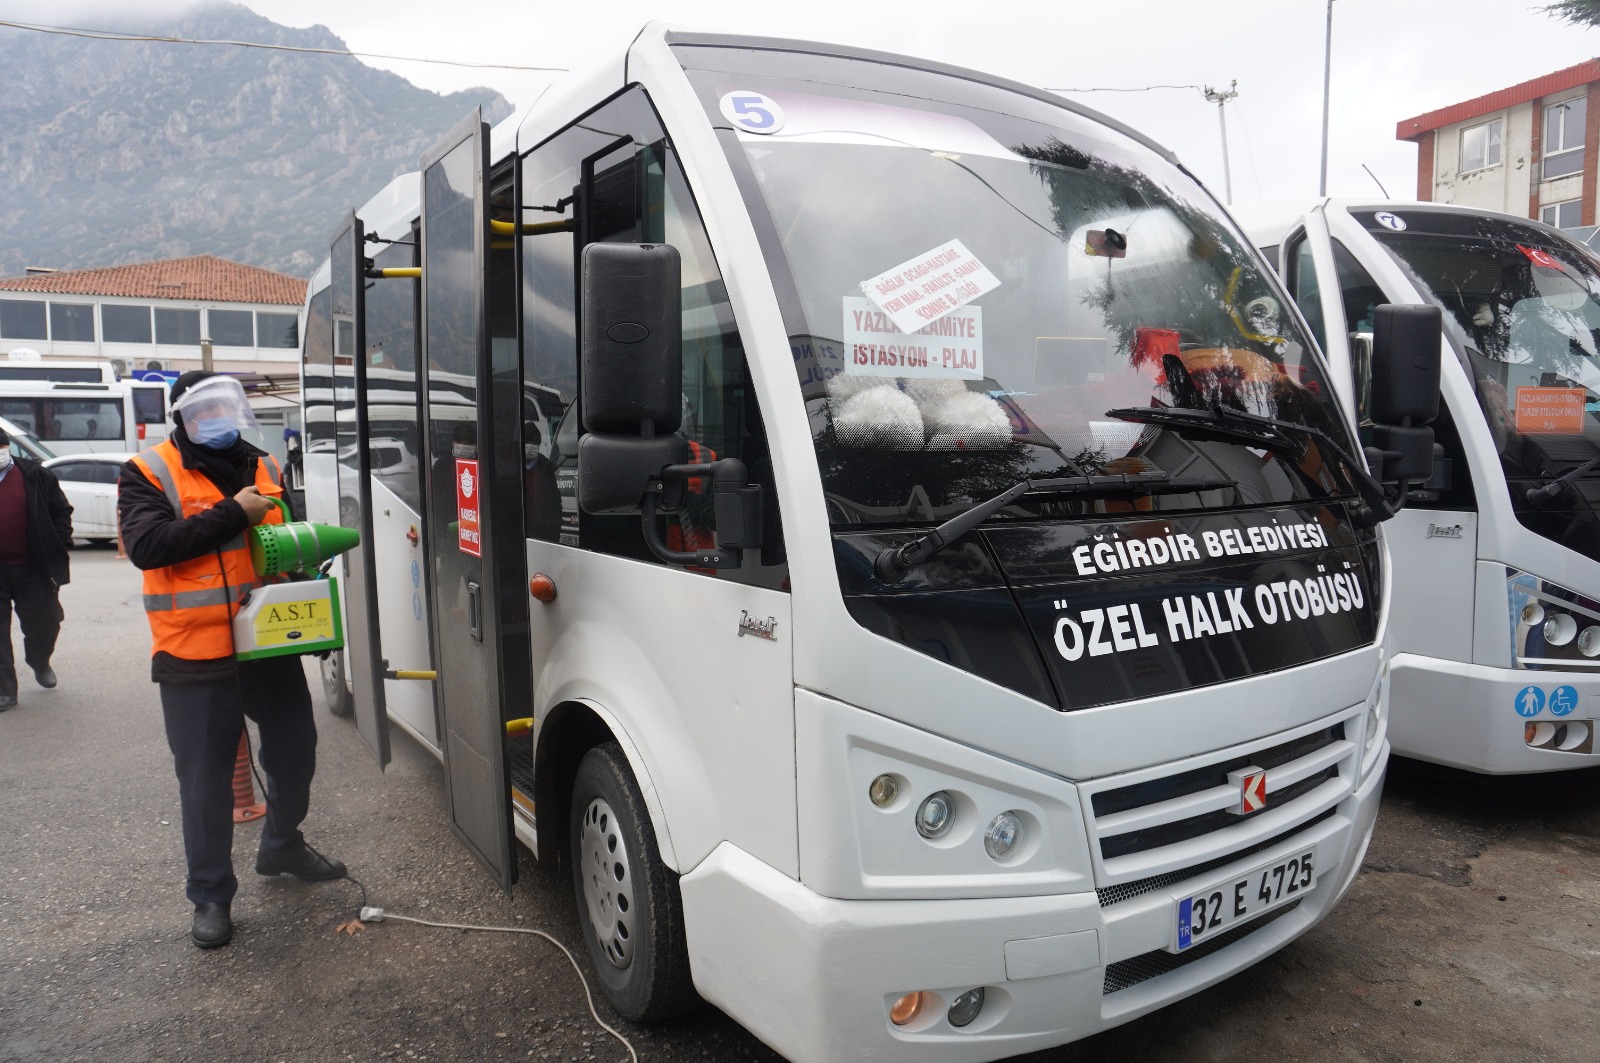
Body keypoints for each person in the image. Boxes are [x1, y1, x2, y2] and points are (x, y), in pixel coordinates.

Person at [117, 372, 345, 950]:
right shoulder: (148, 471)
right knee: (205, 781)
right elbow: (148, 547)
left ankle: (281, 843)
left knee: (296, 749)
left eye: (228, 405)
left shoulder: (263, 465)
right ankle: (211, 895)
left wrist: (307, 601)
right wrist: (233, 513)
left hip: (266, 643)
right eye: (208, 408)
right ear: (184, 415)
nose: (221, 416)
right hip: (193, 651)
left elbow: (283, 546)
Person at [0, 426, 73, 711]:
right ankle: (6, 690)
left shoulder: (36, 475)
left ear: (7, 449)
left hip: (33, 568)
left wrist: (60, 544)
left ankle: (39, 660)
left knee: (46, 623)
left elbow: (61, 510)